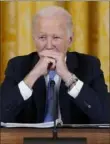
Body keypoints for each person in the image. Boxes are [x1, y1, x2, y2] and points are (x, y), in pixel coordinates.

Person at [0, 6, 110, 124]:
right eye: (42, 37)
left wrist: (67, 76)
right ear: (34, 39)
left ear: (70, 40)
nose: (49, 45)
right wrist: (33, 75)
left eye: (56, 37)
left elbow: (105, 116)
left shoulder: (89, 65)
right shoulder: (17, 66)